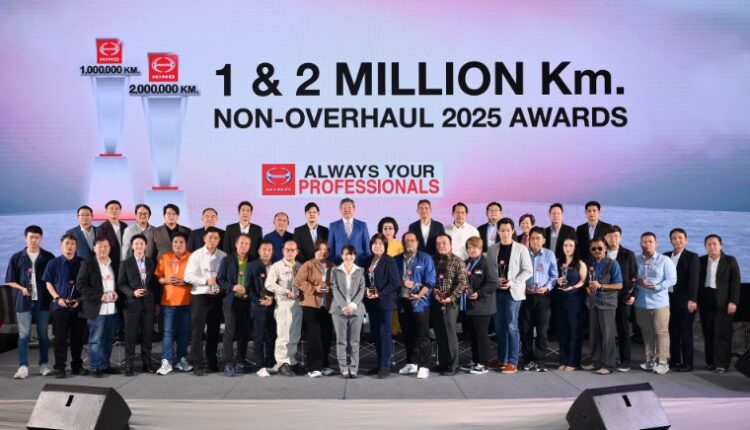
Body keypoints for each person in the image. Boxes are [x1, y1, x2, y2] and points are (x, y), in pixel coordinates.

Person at [7, 225, 55, 379]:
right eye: (31, 237)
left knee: (43, 335)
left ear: (41, 238)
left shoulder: (48, 257)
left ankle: (44, 365)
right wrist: (22, 288)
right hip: (23, 302)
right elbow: (10, 280)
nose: (34, 240)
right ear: (25, 238)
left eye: (37, 237)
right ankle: (23, 367)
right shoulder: (17, 257)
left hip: (43, 301)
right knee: (23, 335)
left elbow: (53, 279)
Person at [487, 218, 532, 374]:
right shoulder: (492, 249)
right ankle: (502, 359)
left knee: (511, 327)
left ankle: (513, 362)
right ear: (498, 231)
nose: (505, 233)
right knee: (499, 328)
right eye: (502, 230)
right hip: (497, 293)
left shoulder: (521, 249)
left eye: (508, 230)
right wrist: (496, 280)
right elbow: (489, 270)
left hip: (513, 293)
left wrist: (512, 282)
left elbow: (528, 270)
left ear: (513, 231)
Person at [43, 234, 87, 378]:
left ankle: (77, 366)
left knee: (78, 338)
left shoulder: (83, 263)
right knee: (60, 338)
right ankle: (60, 367)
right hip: (60, 306)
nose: (69, 246)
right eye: (66, 243)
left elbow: (88, 284)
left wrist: (80, 299)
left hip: (78, 306)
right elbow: (48, 283)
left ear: (76, 246)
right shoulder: (53, 263)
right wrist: (57, 298)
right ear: (61, 246)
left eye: (72, 244)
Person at [184, 227, 226, 376]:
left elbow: (225, 276)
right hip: (200, 296)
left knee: (214, 331)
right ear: (204, 239)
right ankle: (197, 363)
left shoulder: (223, 256)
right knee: (197, 331)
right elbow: (188, 276)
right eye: (210, 237)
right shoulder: (196, 255)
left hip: (216, 297)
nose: (213, 240)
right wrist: (205, 281)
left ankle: (212, 361)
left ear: (219, 240)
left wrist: (219, 284)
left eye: (216, 238)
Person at [633, 232, 677, 375]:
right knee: (647, 332)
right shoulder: (636, 260)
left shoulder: (665, 260)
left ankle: (663, 362)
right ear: (640, 244)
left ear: (656, 243)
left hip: (660, 304)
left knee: (661, 332)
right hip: (641, 303)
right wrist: (636, 281)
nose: (647, 244)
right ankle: (650, 360)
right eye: (644, 241)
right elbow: (632, 277)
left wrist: (657, 286)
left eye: (650, 241)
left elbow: (672, 280)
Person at [394, 231, 436, 379]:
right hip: (403, 302)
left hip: (420, 303)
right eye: (406, 240)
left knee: (423, 336)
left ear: (417, 243)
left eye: (412, 240)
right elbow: (393, 280)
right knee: (408, 335)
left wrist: (419, 294)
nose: (409, 243)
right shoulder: (396, 260)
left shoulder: (425, 258)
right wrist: (401, 282)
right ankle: (411, 363)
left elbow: (430, 282)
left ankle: (424, 366)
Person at [77, 237, 121, 377]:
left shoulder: (114, 264)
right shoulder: (87, 264)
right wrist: (100, 296)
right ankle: (95, 367)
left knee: (108, 339)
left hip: (112, 309)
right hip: (96, 309)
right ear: (94, 248)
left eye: (106, 246)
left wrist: (117, 293)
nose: (103, 249)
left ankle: (105, 365)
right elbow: (81, 285)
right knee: (96, 340)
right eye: (100, 246)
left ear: (109, 248)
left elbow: (119, 283)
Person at [117, 234, 159, 376]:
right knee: (130, 337)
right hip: (131, 305)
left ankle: (147, 364)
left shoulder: (150, 262)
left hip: (148, 304)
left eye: (141, 243)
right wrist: (132, 292)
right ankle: (129, 366)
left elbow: (154, 283)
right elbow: (121, 284)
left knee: (147, 336)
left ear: (145, 246)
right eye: (136, 244)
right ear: (132, 246)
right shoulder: (125, 263)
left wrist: (156, 301)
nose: (139, 246)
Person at [698, 234, 741, 374]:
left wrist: (733, 301)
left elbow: (735, 282)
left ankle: (722, 364)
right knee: (708, 332)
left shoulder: (730, 260)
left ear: (720, 245)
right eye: (709, 244)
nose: (712, 247)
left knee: (722, 333)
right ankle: (711, 362)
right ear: (705, 246)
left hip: (724, 301)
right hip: (706, 299)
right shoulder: (701, 260)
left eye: (714, 244)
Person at [581, 237, 623, 375]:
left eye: (600, 248)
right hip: (593, 303)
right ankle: (595, 362)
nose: (597, 251)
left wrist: (601, 286)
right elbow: (587, 283)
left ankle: (608, 365)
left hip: (607, 304)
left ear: (605, 248)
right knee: (594, 335)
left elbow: (619, 285)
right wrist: (588, 289)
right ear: (590, 250)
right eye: (594, 249)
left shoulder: (613, 264)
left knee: (608, 336)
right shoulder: (590, 264)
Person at [154, 232, 193, 375]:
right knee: (168, 333)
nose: (178, 245)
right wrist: (166, 280)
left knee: (183, 333)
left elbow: (198, 278)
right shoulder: (165, 257)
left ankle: (181, 359)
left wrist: (185, 282)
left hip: (187, 302)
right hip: (168, 302)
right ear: (172, 244)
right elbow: (158, 278)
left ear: (186, 244)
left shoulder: (192, 258)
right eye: (175, 242)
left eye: (181, 242)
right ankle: (166, 361)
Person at [295, 240, 335, 378]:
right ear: (315, 251)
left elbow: (338, 283)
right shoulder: (308, 264)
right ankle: (313, 367)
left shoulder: (332, 266)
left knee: (326, 336)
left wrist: (331, 288)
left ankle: (324, 365)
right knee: (314, 337)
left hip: (327, 306)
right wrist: (314, 288)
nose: (322, 252)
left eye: (325, 250)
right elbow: (298, 281)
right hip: (311, 305)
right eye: (320, 249)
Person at [363, 234, 401, 378]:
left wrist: (380, 293)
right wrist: (366, 290)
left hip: (385, 303)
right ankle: (379, 364)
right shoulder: (368, 261)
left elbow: (395, 282)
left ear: (385, 246)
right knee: (376, 334)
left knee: (385, 334)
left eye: (380, 244)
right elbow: (364, 280)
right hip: (371, 303)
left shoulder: (389, 261)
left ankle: (385, 366)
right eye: (374, 243)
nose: (377, 246)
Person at [520, 227, 558, 372]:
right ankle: (528, 360)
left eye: (538, 238)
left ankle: (540, 361)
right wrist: (524, 286)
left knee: (542, 330)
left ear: (543, 240)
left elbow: (554, 276)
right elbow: (518, 273)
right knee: (526, 330)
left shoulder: (549, 254)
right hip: (526, 296)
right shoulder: (523, 253)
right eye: (532, 238)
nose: (535, 241)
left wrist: (546, 287)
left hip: (543, 297)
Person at [431, 234, 468, 376]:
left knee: (450, 334)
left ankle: (454, 365)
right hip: (435, 302)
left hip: (451, 303)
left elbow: (462, 283)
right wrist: (434, 290)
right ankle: (443, 363)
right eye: (438, 243)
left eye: (444, 243)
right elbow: (429, 279)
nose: (441, 245)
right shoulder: (432, 260)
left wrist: (451, 298)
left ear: (451, 245)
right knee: (440, 333)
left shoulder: (458, 261)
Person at [217, 234, 254, 376]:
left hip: (247, 302)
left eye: (247, 243)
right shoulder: (227, 260)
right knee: (229, 332)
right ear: (236, 244)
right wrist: (233, 287)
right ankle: (228, 363)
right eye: (241, 243)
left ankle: (240, 361)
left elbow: (256, 282)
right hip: (231, 302)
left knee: (244, 333)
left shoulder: (253, 261)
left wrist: (249, 293)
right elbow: (220, 280)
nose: (244, 246)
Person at [265, 239, 303, 377]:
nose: (290, 252)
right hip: (284, 305)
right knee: (283, 336)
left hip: (298, 305)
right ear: (283, 251)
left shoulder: (300, 266)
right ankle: (281, 363)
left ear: (297, 252)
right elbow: (269, 284)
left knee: (294, 335)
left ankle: (291, 361)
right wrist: (286, 292)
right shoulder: (277, 266)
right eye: (287, 249)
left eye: (293, 250)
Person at [665, 228, 700, 372]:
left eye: (680, 237)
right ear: (671, 240)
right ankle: (674, 361)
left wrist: (692, 299)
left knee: (686, 332)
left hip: (686, 301)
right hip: (669, 299)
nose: (677, 240)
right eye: (674, 238)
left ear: (686, 240)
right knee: (673, 331)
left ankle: (687, 363)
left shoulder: (692, 257)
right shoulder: (666, 256)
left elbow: (694, 280)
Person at [461, 236, 497, 375]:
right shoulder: (466, 263)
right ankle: (475, 361)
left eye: (475, 247)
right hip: (469, 306)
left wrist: (479, 293)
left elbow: (493, 283)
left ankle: (483, 363)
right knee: (473, 335)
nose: (472, 250)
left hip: (482, 306)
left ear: (481, 249)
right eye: (469, 247)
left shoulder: (487, 263)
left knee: (481, 335)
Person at [604, 225, 638, 372]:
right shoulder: (601, 252)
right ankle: (607, 358)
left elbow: (634, 277)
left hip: (623, 298)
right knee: (606, 331)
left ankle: (625, 361)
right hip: (605, 298)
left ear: (620, 237)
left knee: (623, 331)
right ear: (606, 238)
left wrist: (632, 294)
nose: (614, 239)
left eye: (616, 236)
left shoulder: (628, 254)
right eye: (611, 236)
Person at [329, 245, 366, 378]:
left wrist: (352, 305)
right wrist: (344, 306)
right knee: (341, 341)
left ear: (354, 256)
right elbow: (334, 288)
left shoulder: (360, 271)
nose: (348, 257)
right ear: (341, 255)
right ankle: (343, 368)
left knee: (354, 341)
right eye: (345, 254)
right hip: (339, 310)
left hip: (356, 310)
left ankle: (354, 367)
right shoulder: (335, 270)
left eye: (351, 254)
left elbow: (362, 289)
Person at [553, 238, 586, 371]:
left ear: (575, 247)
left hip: (574, 300)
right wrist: (557, 281)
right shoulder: (557, 262)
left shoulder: (580, 263)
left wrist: (572, 287)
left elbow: (583, 281)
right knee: (562, 331)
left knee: (574, 331)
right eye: (565, 245)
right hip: (560, 300)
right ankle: (563, 360)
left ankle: (573, 362)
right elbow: (552, 277)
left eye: (571, 245)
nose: (568, 248)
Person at [248, 241, 277, 377]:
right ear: (259, 251)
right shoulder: (252, 266)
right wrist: (259, 300)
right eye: (264, 249)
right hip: (257, 306)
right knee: (258, 336)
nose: (266, 252)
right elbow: (248, 287)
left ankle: (271, 362)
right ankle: (259, 364)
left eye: (269, 250)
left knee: (272, 335)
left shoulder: (276, 266)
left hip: (273, 306)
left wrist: (272, 299)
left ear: (273, 252)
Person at [328, 198, 370, 265]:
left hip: (359, 263)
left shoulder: (362, 225)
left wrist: (368, 263)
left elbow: (367, 247)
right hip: (339, 264)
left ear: (354, 209)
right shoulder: (333, 226)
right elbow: (330, 248)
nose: (347, 210)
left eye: (349, 208)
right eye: (344, 208)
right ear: (340, 210)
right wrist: (331, 264)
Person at [95, 200, 128, 276]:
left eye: (116, 209)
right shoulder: (101, 228)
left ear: (120, 211)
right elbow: (100, 250)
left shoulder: (125, 226)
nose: (114, 211)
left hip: (125, 264)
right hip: (110, 265)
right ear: (106, 211)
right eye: (111, 208)